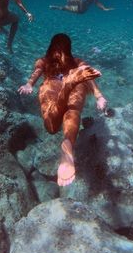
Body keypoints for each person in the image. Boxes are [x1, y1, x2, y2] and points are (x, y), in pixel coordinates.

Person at [18, 33, 107, 187]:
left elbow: (89, 76)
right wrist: (29, 84)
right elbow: (37, 72)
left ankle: (67, 146)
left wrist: (99, 95)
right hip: (55, 86)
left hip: (73, 86)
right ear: (51, 49)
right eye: (57, 50)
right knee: (52, 127)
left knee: (71, 111)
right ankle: (68, 85)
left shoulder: (77, 62)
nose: (60, 55)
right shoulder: (44, 61)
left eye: (63, 51)